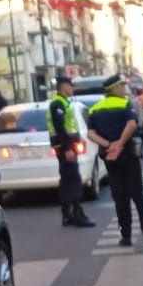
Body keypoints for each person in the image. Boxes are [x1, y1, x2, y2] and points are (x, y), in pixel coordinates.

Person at [87, 73, 143, 247]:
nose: (123, 89)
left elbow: (90, 133)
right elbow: (132, 124)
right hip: (128, 154)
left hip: (110, 158)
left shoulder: (95, 109)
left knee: (119, 197)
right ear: (113, 89)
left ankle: (125, 236)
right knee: (139, 194)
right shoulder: (125, 104)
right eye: (120, 86)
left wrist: (108, 145)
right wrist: (119, 143)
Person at [48, 75, 94, 228]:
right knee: (73, 179)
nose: (72, 89)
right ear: (63, 87)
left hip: (66, 147)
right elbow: (60, 128)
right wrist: (67, 148)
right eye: (70, 86)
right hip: (65, 148)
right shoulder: (58, 104)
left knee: (68, 180)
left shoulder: (64, 103)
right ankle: (76, 213)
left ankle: (67, 214)